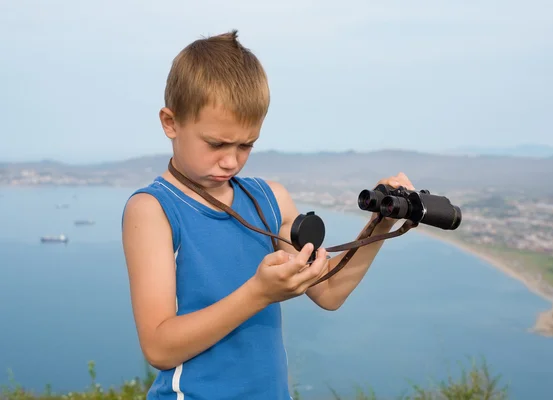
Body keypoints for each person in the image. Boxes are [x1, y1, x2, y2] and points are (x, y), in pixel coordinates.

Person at [121, 30, 416, 400]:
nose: (231, 160)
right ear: (171, 123)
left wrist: (381, 220)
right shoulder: (153, 210)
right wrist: (258, 294)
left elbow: (329, 290)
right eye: (216, 144)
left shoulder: (269, 199)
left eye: (246, 145)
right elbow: (159, 349)